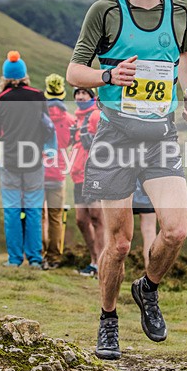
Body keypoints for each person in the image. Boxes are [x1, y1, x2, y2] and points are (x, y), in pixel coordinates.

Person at [66, 0, 187, 360]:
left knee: (176, 230)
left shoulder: (181, 9)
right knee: (119, 244)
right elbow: (74, 72)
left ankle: (148, 287)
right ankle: (108, 319)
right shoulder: (105, 12)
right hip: (116, 136)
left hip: (161, 135)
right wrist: (108, 75)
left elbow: (184, 54)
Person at [0, 50, 49, 268]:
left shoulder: (1, 99)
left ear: (5, 76)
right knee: (33, 209)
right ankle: (35, 259)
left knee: (12, 210)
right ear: (24, 75)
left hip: (10, 160)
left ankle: (14, 260)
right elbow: (48, 129)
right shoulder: (38, 96)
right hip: (34, 161)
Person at [69, 87, 105, 277]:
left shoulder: (96, 115)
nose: (80, 96)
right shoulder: (77, 118)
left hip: (93, 173)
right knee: (81, 220)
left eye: (84, 93)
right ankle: (94, 260)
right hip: (77, 175)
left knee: (97, 218)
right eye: (77, 93)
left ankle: (102, 263)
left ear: (92, 96)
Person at [42, 73, 75, 270]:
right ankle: (53, 257)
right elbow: (72, 142)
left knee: (38, 216)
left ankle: (38, 254)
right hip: (57, 173)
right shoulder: (70, 120)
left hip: (36, 172)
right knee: (55, 217)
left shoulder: (38, 118)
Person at [132, 179, 157, 269]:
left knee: (118, 233)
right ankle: (150, 277)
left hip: (122, 179)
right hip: (147, 181)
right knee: (149, 230)